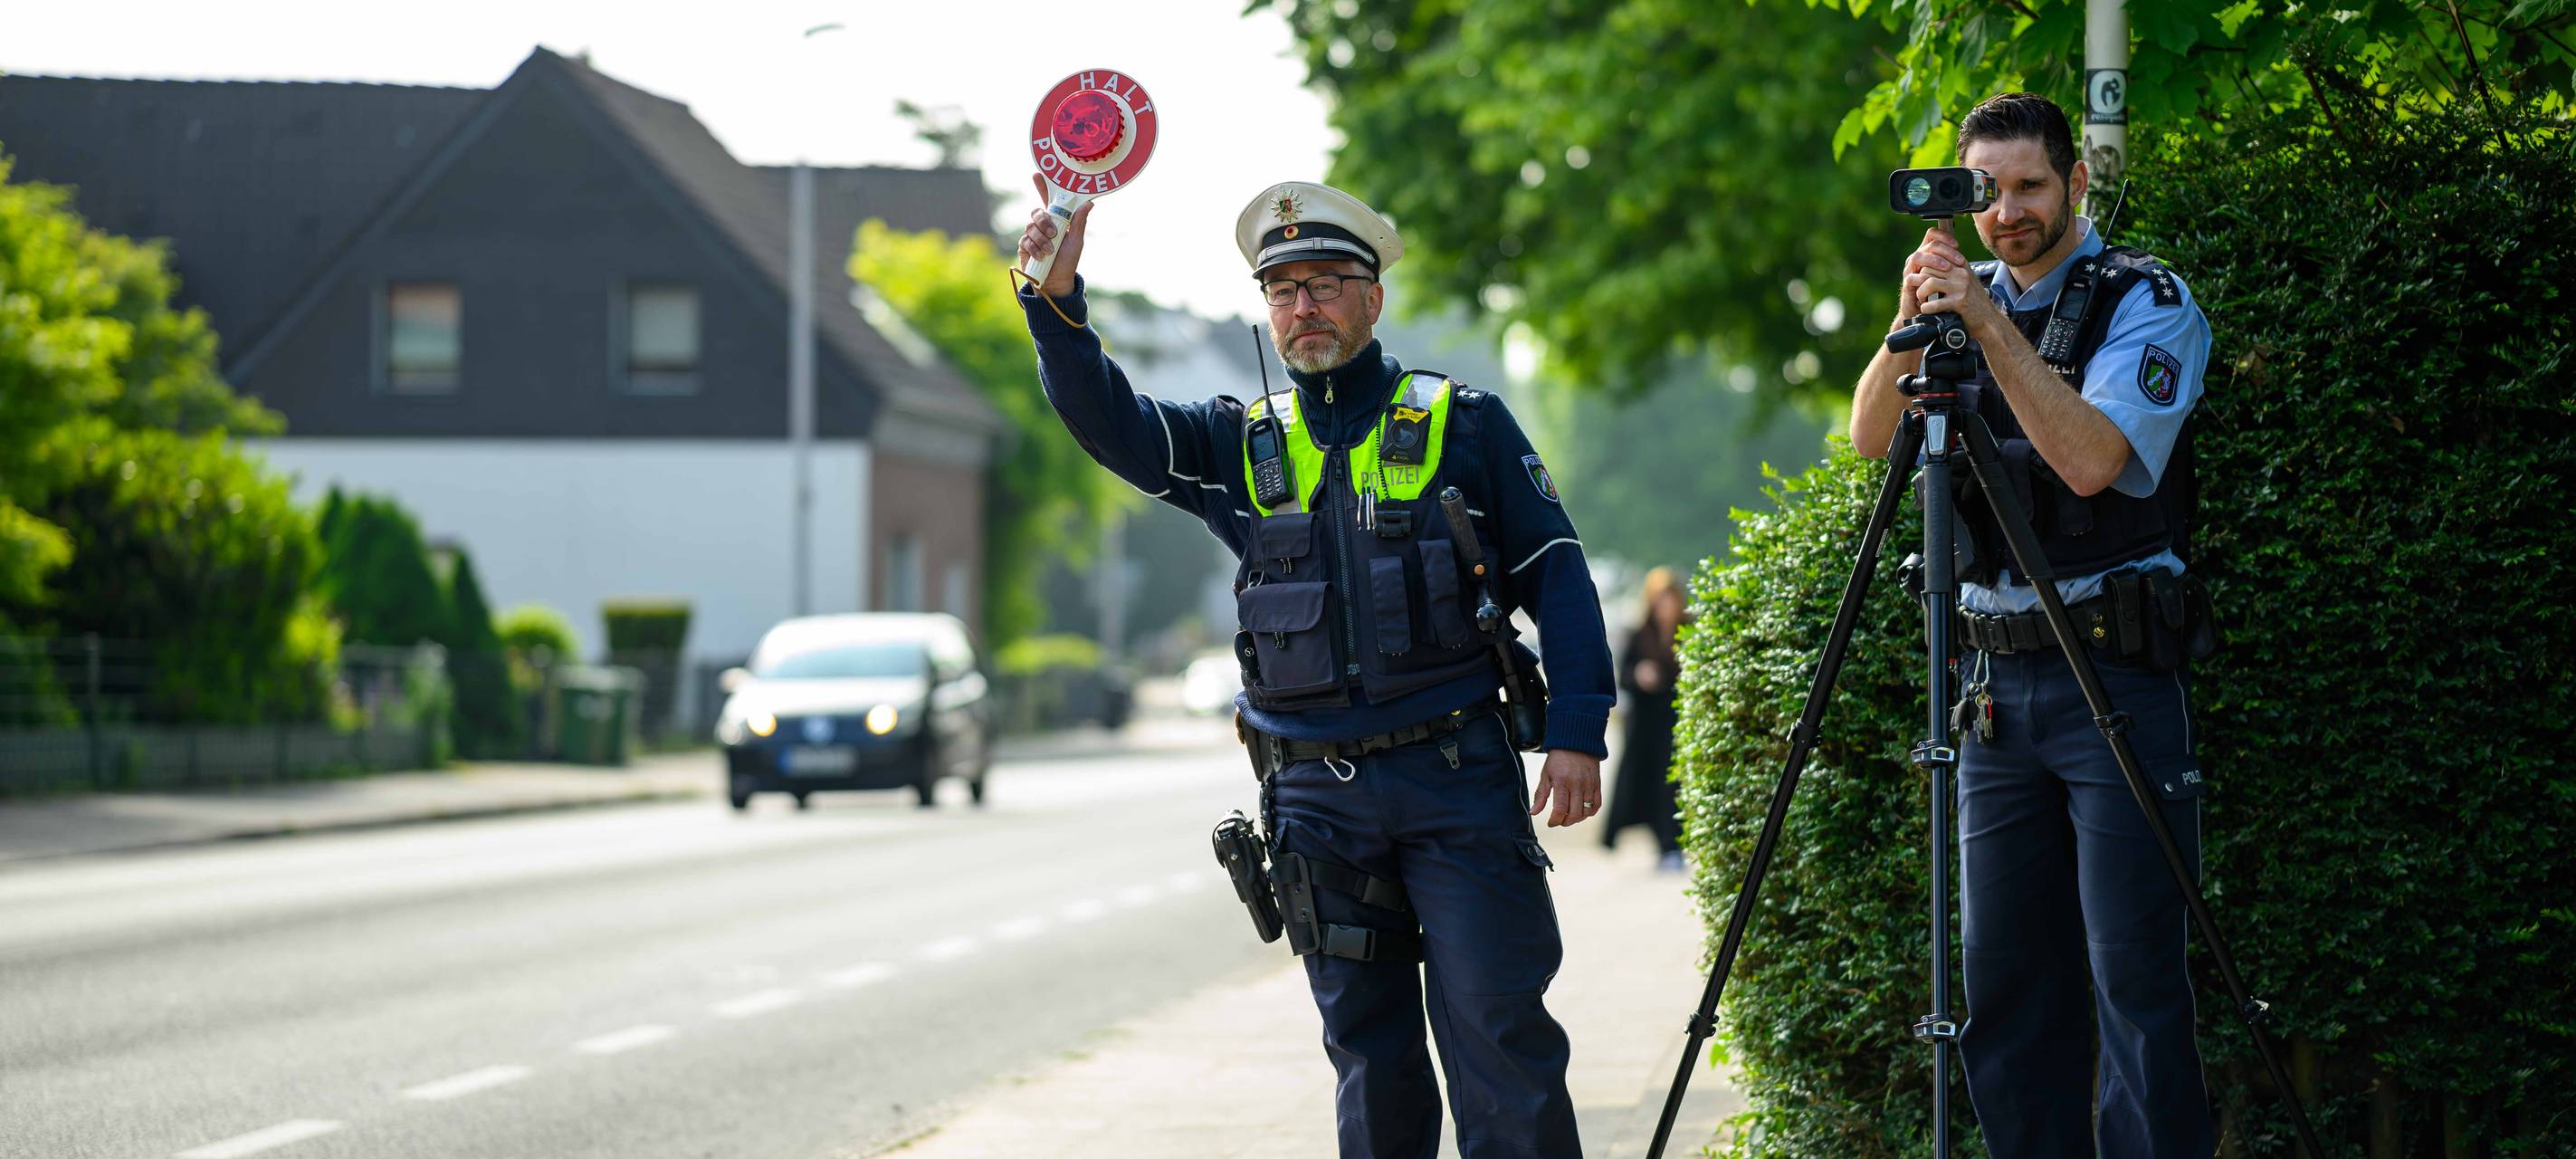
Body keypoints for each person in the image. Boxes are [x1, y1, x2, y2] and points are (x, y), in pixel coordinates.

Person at [1014, 176, 1614, 1159]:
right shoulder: (1236, 444)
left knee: (1499, 1036)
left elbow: (1557, 574)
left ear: (1372, 297)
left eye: (1327, 283)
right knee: (1368, 1059)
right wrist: (1053, 307)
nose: (1304, 307)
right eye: (1283, 289)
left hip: (1453, 780)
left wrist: (1579, 732)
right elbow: (1108, 422)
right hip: (1314, 804)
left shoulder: (1465, 423)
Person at [1849, 92, 2217, 1159]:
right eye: (1985, 191)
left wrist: (1986, 323)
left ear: (2075, 184)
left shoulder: (2142, 299)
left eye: (2027, 188)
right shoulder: (1958, 304)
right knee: (2004, 987)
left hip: (2114, 674)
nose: (2004, 213)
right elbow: (1871, 436)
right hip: (1993, 694)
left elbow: (2092, 460)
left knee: (2135, 980)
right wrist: (1911, 313)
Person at [1601, 566, 1686, 871]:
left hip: (1676, 721)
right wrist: (1639, 676)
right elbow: (1622, 677)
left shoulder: (1688, 630)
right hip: (1646, 724)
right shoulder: (1640, 633)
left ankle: (1672, 846)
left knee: (1672, 786)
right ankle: (1661, 845)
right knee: (1647, 783)